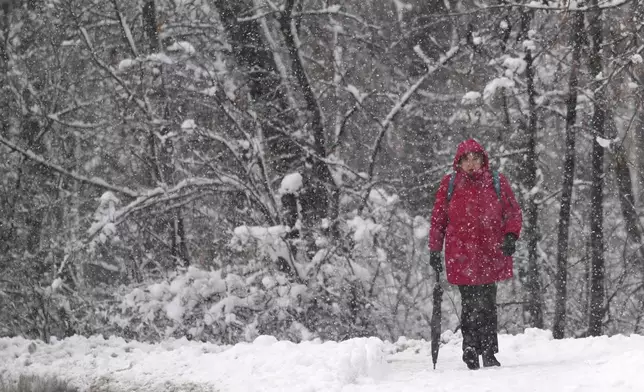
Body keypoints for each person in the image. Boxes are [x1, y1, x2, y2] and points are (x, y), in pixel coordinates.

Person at [428, 139, 522, 370]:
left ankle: (489, 351)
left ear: (483, 160)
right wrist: (434, 249)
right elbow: (439, 219)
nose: (471, 164)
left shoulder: (497, 181)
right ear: (459, 162)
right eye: (466, 159)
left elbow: (512, 212)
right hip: (461, 254)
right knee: (469, 301)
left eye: (475, 158)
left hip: (490, 251)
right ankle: (470, 348)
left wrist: (511, 236)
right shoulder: (450, 184)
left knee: (488, 302)